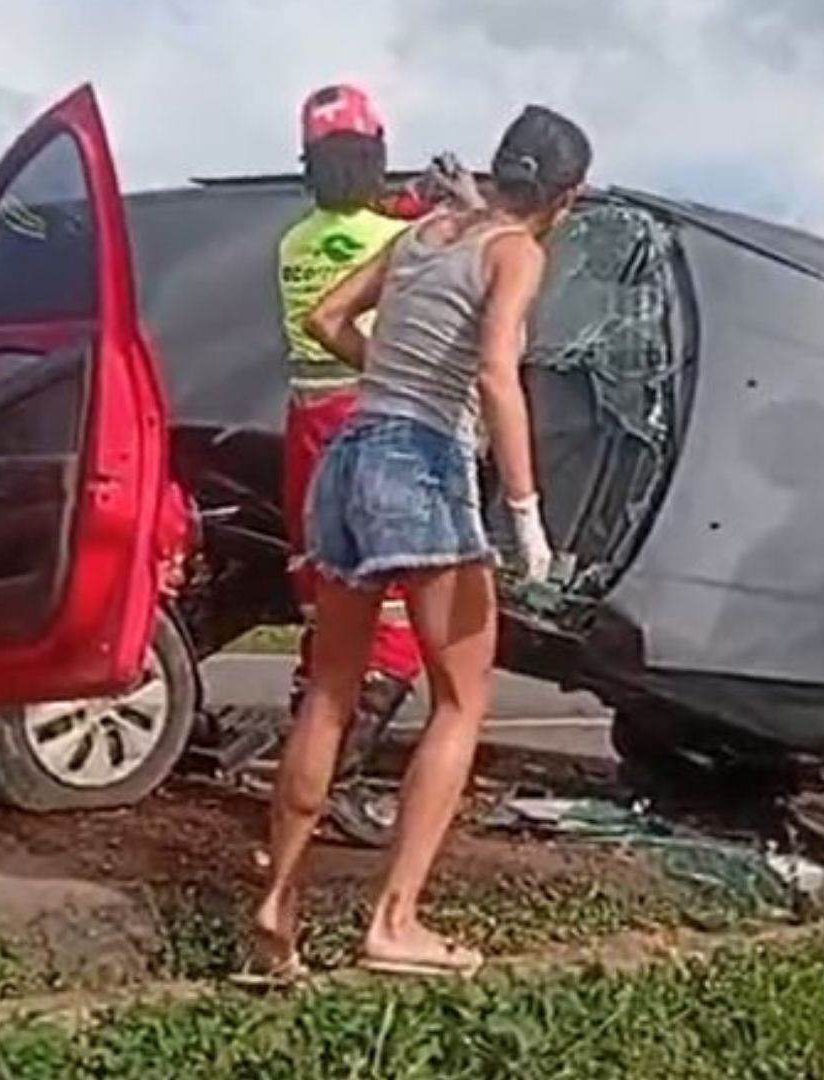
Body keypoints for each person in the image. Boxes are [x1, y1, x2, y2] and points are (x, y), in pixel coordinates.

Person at [249, 105, 587, 980]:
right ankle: (394, 921)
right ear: (567, 195)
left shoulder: (429, 229)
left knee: (329, 691)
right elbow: (493, 373)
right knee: (460, 699)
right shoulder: (518, 250)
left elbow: (327, 319)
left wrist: (392, 375)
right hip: (424, 463)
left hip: (352, 453)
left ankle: (275, 914)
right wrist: (526, 514)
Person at [275, 85, 482, 835]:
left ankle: (304, 766)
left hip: (305, 424)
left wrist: (409, 202)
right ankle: (341, 783)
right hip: (364, 419)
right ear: (374, 156)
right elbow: (455, 252)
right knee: (395, 622)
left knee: (327, 609)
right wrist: (458, 204)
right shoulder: (386, 242)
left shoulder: (296, 241)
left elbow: (364, 225)